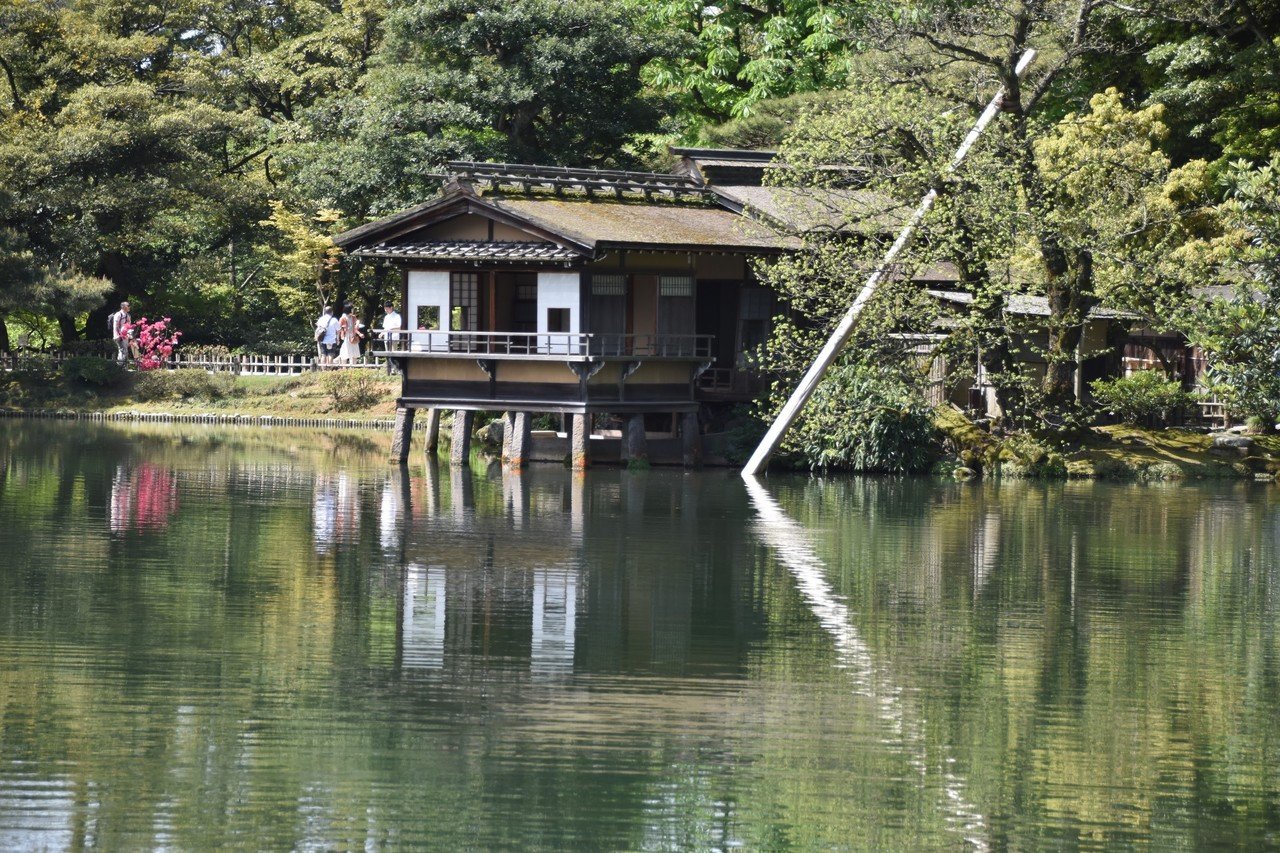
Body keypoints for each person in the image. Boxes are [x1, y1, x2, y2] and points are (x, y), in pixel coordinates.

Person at [379, 302, 404, 373]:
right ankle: (389, 369)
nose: (386, 310)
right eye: (385, 309)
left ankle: (395, 369)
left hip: (394, 337)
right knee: (387, 353)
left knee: (393, 353)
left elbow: (399, 327)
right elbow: (385, 328)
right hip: (386, 337)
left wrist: (391, 329)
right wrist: (381, 333)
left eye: (387, 309)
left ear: (391, 308)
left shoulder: (397, 316)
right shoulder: (386, 317)